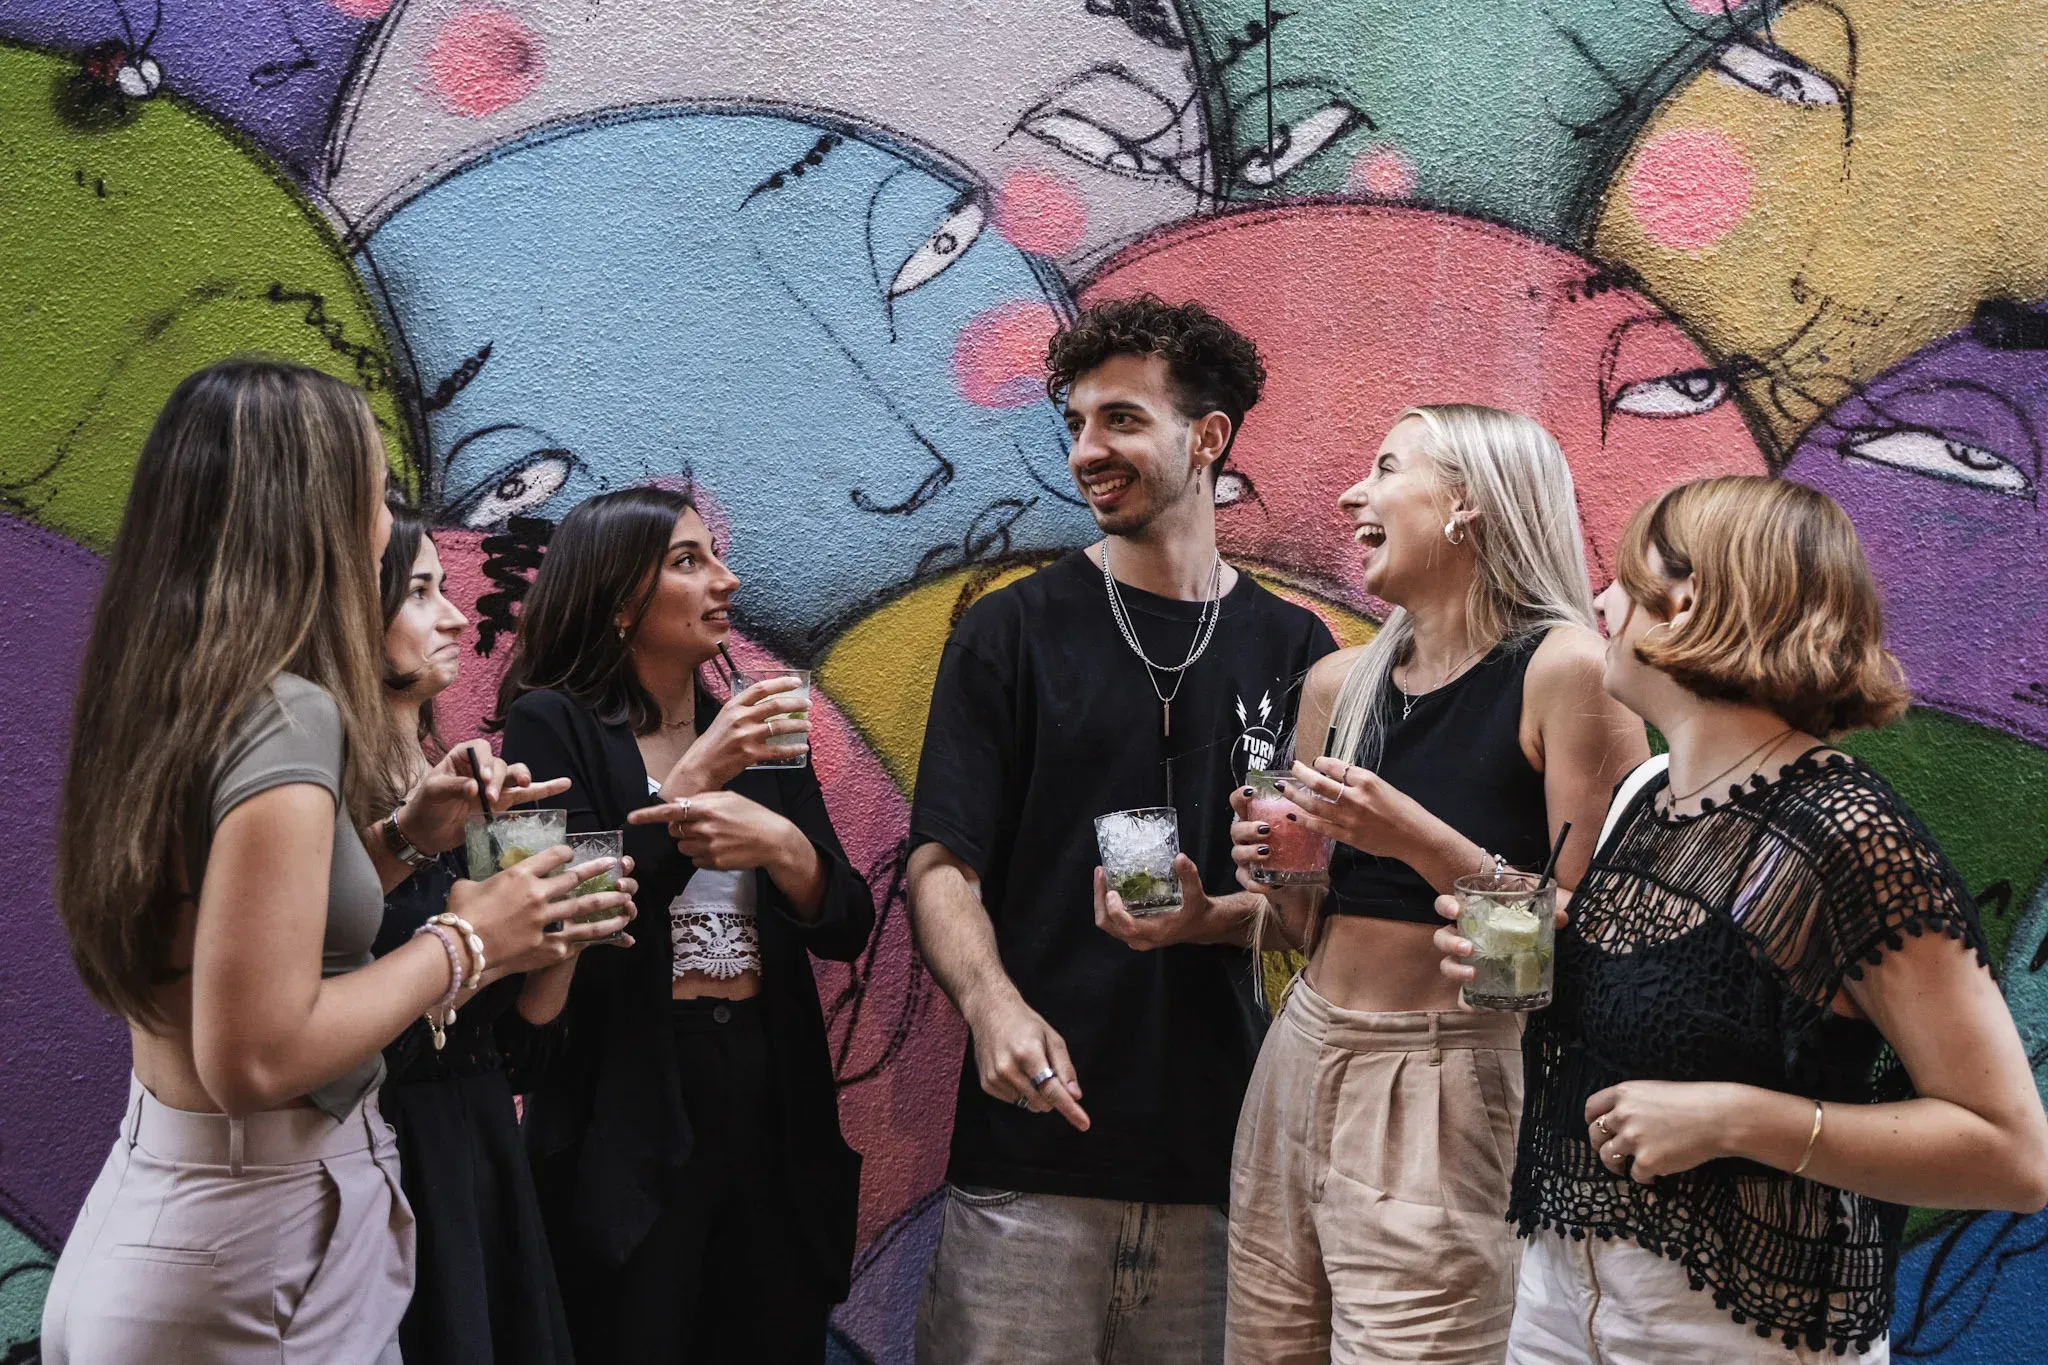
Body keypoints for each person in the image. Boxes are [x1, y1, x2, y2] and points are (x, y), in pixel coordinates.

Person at [38, 358, 634, 1363]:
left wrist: (405, 842)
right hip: (254, 1243)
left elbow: (232, 930)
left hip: (169, 1205)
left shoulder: (170, 685)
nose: (390, 513)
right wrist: (468, 942)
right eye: (377, 486)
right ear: (314, 510)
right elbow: (256, 1055)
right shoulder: (288, 713)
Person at [1433, 476, 2048, 1362]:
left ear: (1682, 605)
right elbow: (1698, 1002)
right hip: (1564, 1308)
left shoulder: (1847, 834)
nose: (1601, 600)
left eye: (1620, 576)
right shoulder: (1649, 792)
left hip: (1734, 1336)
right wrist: (1557, 965)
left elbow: (2011, 1154)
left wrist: (1734, 1118)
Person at [908, 295, 1338, 1364]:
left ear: (1207, 438)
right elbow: (938, 862)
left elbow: (1311, 920)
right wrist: (991, 1005)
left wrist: (1207, 921)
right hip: (1031, 1159)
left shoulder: (1298, 650)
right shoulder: (1010, 629)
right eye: (1075, 425)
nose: (1086, 451)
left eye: (1120, 422)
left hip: (1217, 1165)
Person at [1224, 404, 1648, 1363]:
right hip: (1298, 1060)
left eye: (1385, 468)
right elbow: (1300, 924)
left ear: (1466, 504)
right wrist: (1276, 877)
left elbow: (1586, 951)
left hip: (1451, 1074)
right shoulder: (1341, 684)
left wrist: (1417, 840)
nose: (1350, 493)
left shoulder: (1567, 669)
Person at [494, 485, 876, 1363]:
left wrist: (785, 846)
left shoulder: (751, 727)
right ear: (622, 599)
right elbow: (566, 932)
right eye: (689, 561)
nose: (727, 581)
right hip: (625, 1105)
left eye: (716, 556)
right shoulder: (548, 725)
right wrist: (695, 777)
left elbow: (845, 925)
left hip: (768, 1095)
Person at [372, 499, 637, 1364]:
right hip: (390, 1165)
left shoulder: (455, 777)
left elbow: (509, 1055)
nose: (454, 614)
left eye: (447, 589)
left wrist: (553, 949)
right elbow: (340, 1033)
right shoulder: (323, 801)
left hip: (481, 1156)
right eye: (420, 592)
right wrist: (467, 940)